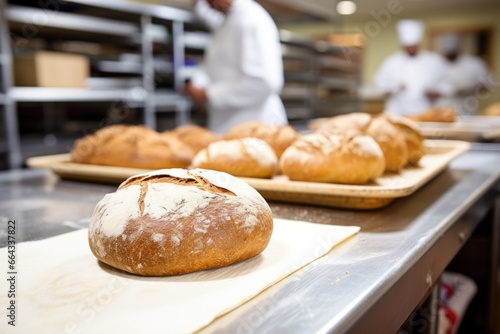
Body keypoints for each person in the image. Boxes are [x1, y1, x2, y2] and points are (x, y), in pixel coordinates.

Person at [185, 0, 287, 134]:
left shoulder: (251, 19)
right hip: (229, 128)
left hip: (256, 128)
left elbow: (264, 82)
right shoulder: (227, 20)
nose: (208, 5)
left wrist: (207, 95)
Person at [375, 20, 452, 116]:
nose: (411, 49)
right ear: (402, 45)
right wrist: (395, 87)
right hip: (397, 112)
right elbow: (380, 86)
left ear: (419, 44)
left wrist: (436, 92)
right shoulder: (391, 62)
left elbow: (448, 85)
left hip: (426, 112)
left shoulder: (434, 61)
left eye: (413, 46)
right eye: (408, 47)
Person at [436, 33, 491, 115]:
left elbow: (487, 85)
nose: (449, 56)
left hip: (468, 110)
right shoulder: (435, 63)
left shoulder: (474, 63)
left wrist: (468, 89)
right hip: (442, 110)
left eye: (452, 54)